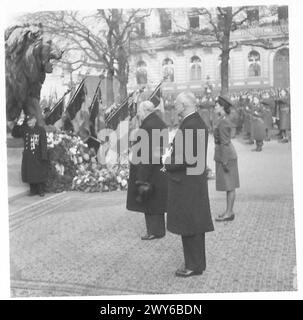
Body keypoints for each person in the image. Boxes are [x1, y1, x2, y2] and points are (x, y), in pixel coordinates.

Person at [164, 91, 214, 277]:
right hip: (192, 181)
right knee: (193, 224)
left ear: (183, 106)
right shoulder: (194, 122)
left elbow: (186, 158)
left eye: (176, 104)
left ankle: (193, 265)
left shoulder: (190, 125)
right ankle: (195, 263)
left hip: (187, 182)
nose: (174, 107)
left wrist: (166, 162)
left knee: (190, 225)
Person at [126, 101, 168, 240]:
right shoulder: (160, 123)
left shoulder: (148, 126)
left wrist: (142, 176)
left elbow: (147, 154)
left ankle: (153, 231)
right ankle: (159, 230)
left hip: (149, 169)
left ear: (144, 110)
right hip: (159, 168)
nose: (138, 113)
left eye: (139, 111)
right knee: (157, 201)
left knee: (149, 201)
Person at [213, 96, 240, 222]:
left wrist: (224, 161)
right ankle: (228, 211)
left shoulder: (223, 121)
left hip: (226, 156)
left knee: (230, 185)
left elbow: (224, 142)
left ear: (223, 107)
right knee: (229, 185)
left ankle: (229, 213)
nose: (215, 107)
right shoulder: (222, 119)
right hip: (226, 154)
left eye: (217, 105)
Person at [11, 114, 48, 196]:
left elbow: (43, 143)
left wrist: (44, 156)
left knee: (39, 173)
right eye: (28, 121)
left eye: (30, 120)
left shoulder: (41, 130)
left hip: (38, 155)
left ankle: (41, 190)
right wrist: (18, 123)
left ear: (35, 120)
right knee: (30, 173)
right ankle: (33, 190)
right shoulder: (25, 130)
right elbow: (14, 134)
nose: (29, 122)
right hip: (28, 156)